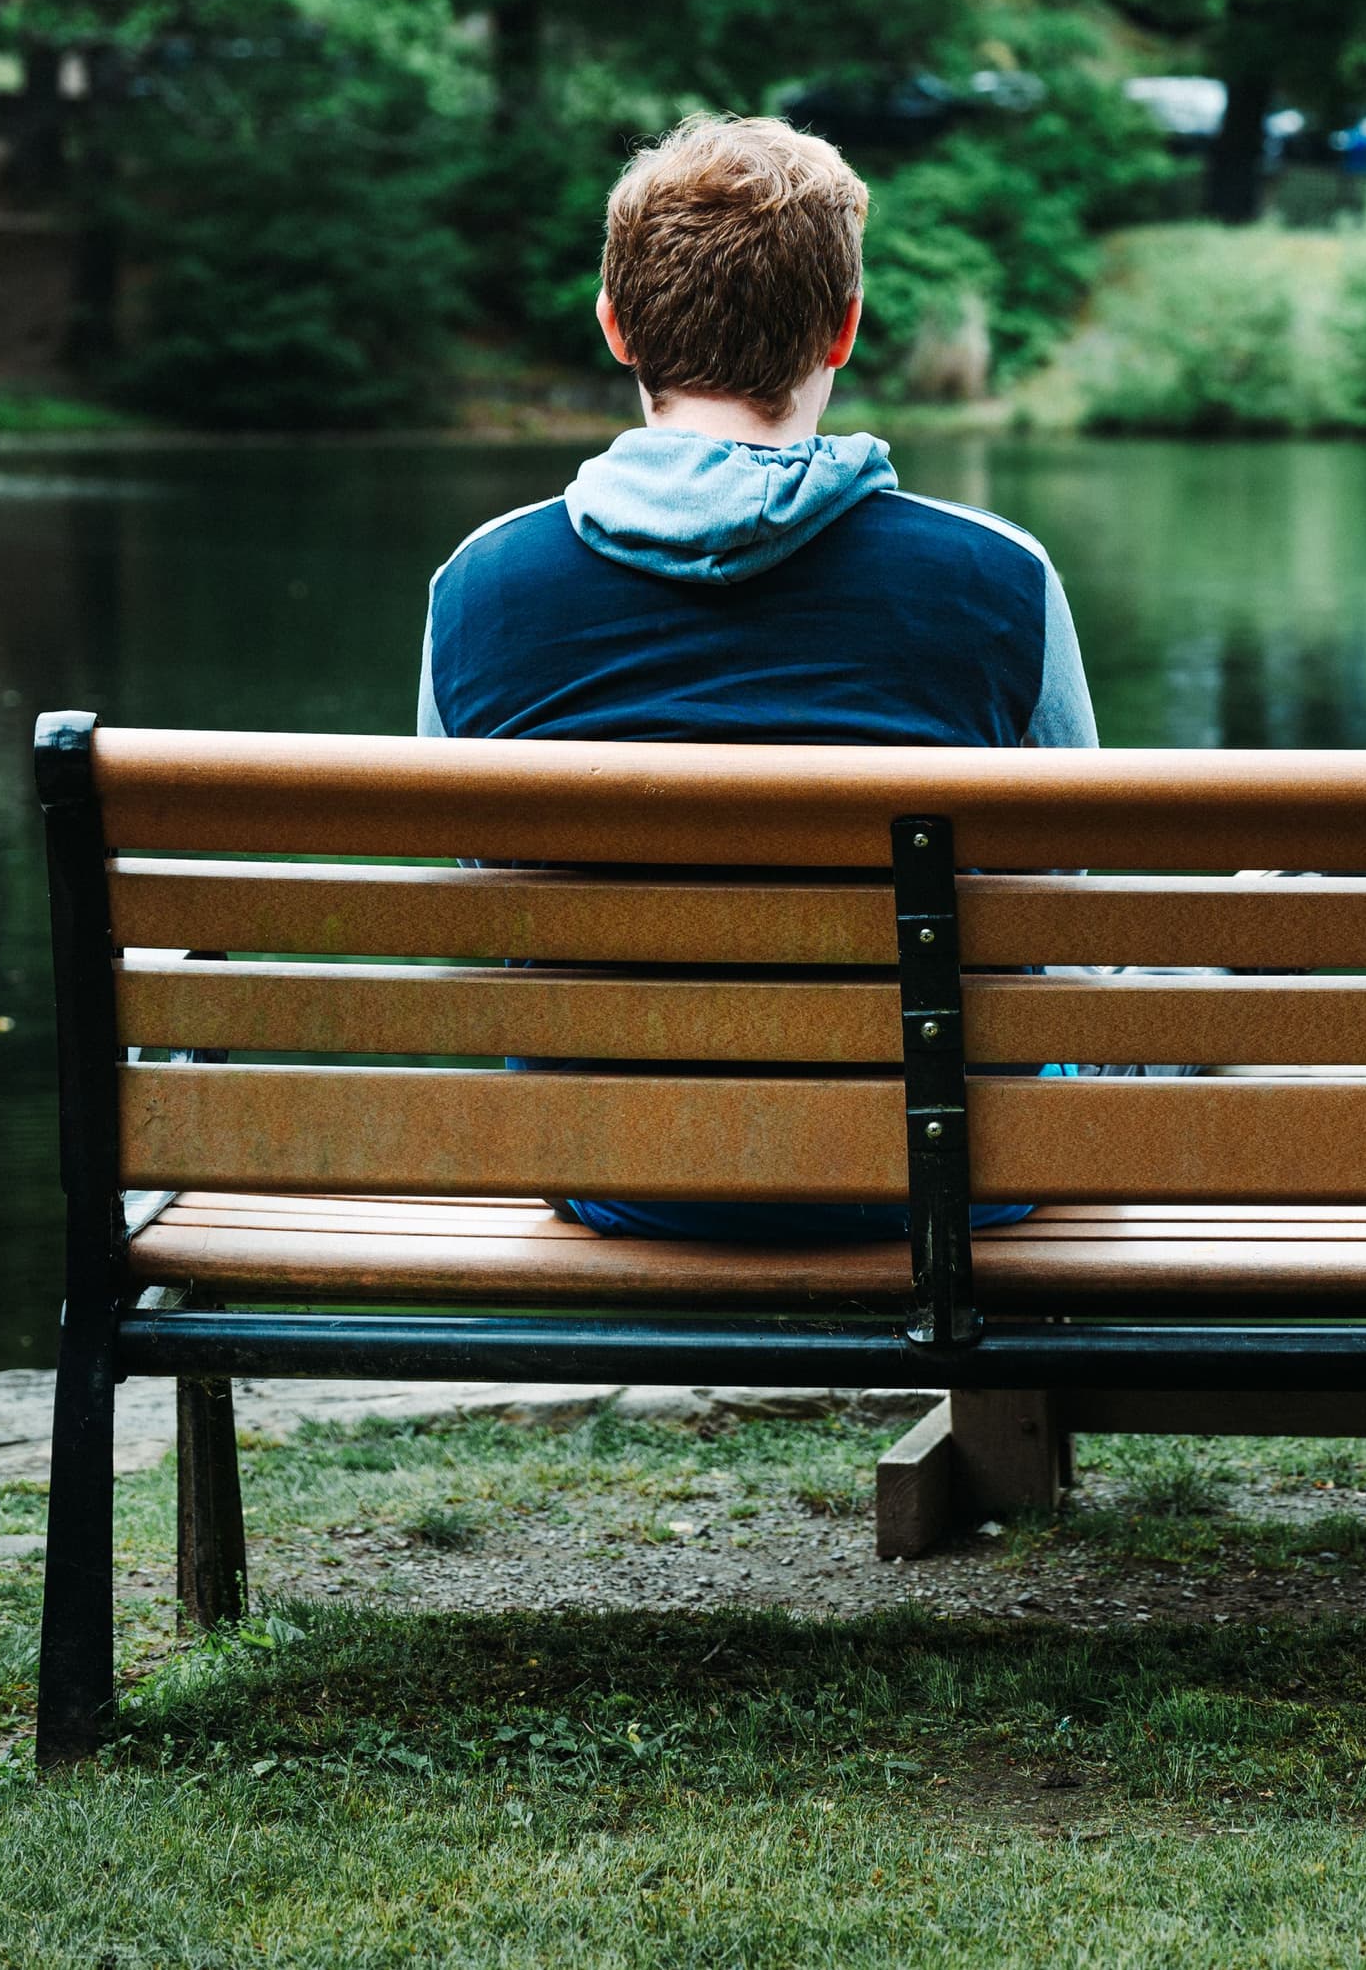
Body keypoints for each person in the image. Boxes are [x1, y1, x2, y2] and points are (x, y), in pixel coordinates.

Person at [416, 112, 1085, 1241]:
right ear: (844, 330)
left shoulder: (481, 587)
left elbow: (469, 899)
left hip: (626, 1168)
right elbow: (1066, 891)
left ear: (616, 326)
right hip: (947, 1164)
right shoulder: (996, 576)